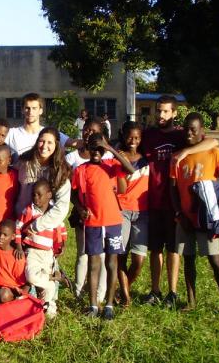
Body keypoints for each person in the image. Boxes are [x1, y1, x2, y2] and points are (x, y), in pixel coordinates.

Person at [141, 95, 219, 308]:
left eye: (166, 111)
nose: (161, 115)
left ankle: (172, 292)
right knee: (156, 248)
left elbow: (212, 141)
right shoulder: (148, 136)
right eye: (159, 110)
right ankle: (155, 291)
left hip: (177, 203)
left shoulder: (181, 135)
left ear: (175, 113)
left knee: (173, 249)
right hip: (153, 201)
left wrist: (185, 151)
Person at [170, 113, 219, 319]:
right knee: (188, 259)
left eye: (193, 129)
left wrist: (208, 187)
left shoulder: (214, 152)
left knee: (214, 259)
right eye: (185, 129)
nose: (188, 133)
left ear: (202, 131)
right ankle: (191, 301)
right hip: (185, 217)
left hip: (207, 217)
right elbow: (173, 189)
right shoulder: (178, 157)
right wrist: (179, 214)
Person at [71, 133, 136, 320]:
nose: (97, 152)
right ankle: (93, 305)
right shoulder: (81, 170)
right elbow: (74, 193)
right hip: (93, 222)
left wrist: (110, 149)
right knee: (94, 264)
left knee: (112, 262)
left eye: (100, 149)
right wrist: (80, 207)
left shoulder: (111, 166)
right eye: (94, 148)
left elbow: (130, 169)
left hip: (113, 222)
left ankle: (108, 304)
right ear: (88, 149)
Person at [12, 128, 72, 314]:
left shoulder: (60, 172)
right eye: (41, 141)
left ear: (57, 146)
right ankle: (29, 305)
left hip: (44, 231)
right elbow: (7, 172)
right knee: (25, 268)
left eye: (50, 143)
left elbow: (62, 208)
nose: (44, 146)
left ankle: (49, 304)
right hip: (20, 222)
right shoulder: (23, 162)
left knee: (44, 267)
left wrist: (37, 226)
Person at [66, 116, 112, 302]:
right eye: (86, 129)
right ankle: (78, 292)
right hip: (82, 214)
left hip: (103, 214)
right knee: (83, 254)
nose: (89, 133)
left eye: (93, 131)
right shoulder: (72, 157)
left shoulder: (107, 158)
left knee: (101, 254)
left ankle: (99, 295)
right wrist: (79, 207)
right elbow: (69, 189)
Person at [16, 179, 67, 318]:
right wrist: (19, 246)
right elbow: (18, 228)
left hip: (48, 253)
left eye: (39, 194)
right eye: (33, 195)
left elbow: (61, 230)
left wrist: (62, 245)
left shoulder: (54, 213)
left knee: (45, 285)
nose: (36, 198)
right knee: (31, 276)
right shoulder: (28, 211)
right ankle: (52, 281)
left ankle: (49, 308)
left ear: (49, 195)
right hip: (32, 250)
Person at [115, 121, 150, 306]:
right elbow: (119, 189)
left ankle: (121, 288)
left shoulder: (146, 158)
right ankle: (126, 297)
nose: (133, 141)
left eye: (137, 137)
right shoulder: (118, 156)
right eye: (130, 136)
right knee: (121, 255)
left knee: (138, 260)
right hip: (122, 210)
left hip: (143, 212)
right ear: (123, 135)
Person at [5, 93, 77, 157]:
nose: (30, 112)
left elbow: (75, 143)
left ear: (40, 111)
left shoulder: (50, 134)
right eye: (27, 108)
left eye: (34, 108)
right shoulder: (11, 134)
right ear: (22, 110)